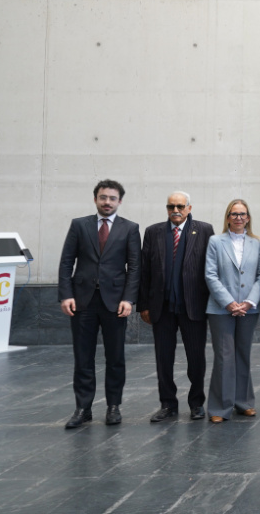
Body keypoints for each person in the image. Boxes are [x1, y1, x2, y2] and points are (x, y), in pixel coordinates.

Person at [58, 179, 141, 429]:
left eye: (112, 198)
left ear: (120, 201)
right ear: (95, 199)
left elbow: (134, 267)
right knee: (83, 357)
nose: (107, 202)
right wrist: (66, 294)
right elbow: (66, 262)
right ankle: (83, 408)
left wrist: (128, 298)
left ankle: (113, 406)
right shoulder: (79, 225)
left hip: (115, 303)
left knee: (115, 357)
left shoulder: (130, 228)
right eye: (103, 197)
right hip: (82, 301)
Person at [138, 191, 215, 422]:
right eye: (171, 206)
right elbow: (144, 271)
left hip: (193, 306)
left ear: (189, 208)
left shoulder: (204, 230)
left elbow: (211, 267)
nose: (175, 210)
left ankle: (196, 403)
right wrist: (143, 305)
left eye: (180, 206)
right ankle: (168, 404)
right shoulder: (153, 232)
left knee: (196, 359)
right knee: (163, 359)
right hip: (161, 308)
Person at [204, 199, 260, 424]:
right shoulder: (215, 241)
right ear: (228, 217)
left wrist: (249, 302)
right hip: (221, 309)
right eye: (234, 213)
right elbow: (210, 274)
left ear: (248, 218)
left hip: (248, 308)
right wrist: (229, 302)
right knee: (224, 357)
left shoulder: (257, 244)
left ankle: (244, 402)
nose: (239, 217)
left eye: (242, 214)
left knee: (242, 354)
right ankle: (219, 407)